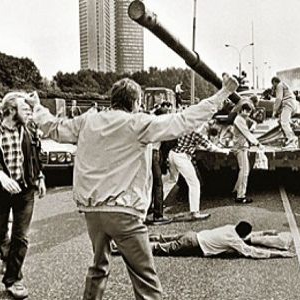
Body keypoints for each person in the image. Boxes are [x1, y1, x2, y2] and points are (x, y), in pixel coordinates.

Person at [28, 74, 238, 300]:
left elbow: (55, 128)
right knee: (145, 280)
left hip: (92, 211)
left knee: (99, 267)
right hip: (124, 212)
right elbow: (183, 120)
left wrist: (38, 107)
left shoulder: (87, 121)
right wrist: (223, 93)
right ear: (135, 102)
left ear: (113, 99)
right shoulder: (138, 123)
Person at [0, 92, 46, 299]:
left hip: (24, 189)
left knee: (21, 236)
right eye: (23, 108)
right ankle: (8, 258)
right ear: (10, 110)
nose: (28, 111)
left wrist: (40, 177)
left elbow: (35, 155)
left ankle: (13, 279)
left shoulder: (28, 130)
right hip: (1, 190)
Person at [167, 128, 229, 221]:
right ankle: (195, 212)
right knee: (194, 184)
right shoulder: (195, 132)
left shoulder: (184, 127)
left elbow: (192, 144)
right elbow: (209, 146)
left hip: (172, 153)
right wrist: (223, 151)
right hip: (182, 157)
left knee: (171, 181)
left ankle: (155, 207)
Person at [150, 221, 295, 259]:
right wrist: (280, 254)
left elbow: (250, 237)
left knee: (163, 238)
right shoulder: (234, 240)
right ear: (242, 236)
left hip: (192, 234)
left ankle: (146, 235)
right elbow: (253, 252)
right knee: (161, 249)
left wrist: (266, 232)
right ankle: (138, 246)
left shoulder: (230, 228)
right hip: (193, 243)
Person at [232, 103, 262, 204]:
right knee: (244, 172)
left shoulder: (241, 119)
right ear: (243, 110)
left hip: (241, 147)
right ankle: (240, 196)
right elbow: (246, 133)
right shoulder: (239, 119)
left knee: (243, 170)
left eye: (250, 112)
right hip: (241, 147)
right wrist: (257, 143)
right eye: (248, 111)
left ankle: (236, 190)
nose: (249, 113)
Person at [148, 107, 173, 225]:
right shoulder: (161, 126)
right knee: (158, 185)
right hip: (154, 153)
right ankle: (158, 215)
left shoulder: (151, 123)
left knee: (150, 184)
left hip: (147, 154)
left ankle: (148, 209)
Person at [271, 77, 298, 148]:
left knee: (284, 122)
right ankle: (290, 136)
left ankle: (292, 140)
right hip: (292, 104)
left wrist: (274, 111)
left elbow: (278, 99)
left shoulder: (279, 85)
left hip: (287, 104)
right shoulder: (284, 85)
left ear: (274, 82)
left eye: (273, 84)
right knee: (284, 120)